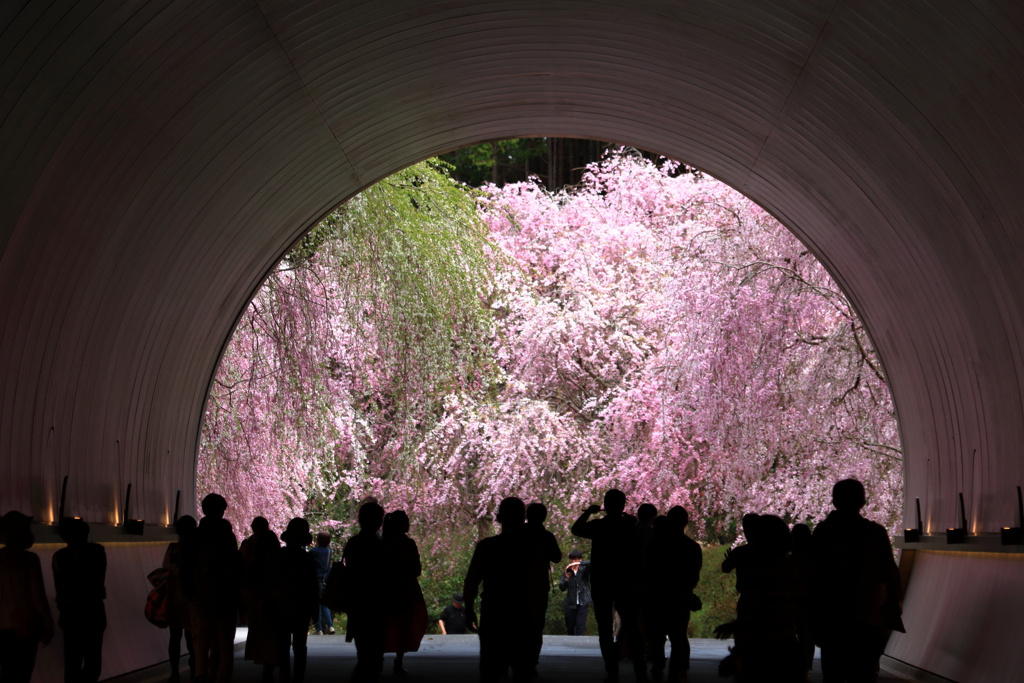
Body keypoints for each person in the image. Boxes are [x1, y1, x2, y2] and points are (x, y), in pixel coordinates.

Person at [812, 479, 903, 683]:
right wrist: (893, 603)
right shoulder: (874, 533)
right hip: (866, 614)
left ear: (834, 501)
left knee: (833, 673)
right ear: (862, 501)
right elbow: (890, 573)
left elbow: (812, 572)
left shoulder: (822, 532)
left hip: (831, 615)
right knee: (863, 673)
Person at [571, 489, 648, 682]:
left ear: (605, 505)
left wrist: (589, 512)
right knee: (632, 628)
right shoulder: (631, 526)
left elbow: (576, 529)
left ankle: (611, 670)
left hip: (602, 582)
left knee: (604, 628)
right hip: (626, 582)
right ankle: (640, 671)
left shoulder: (599, 525)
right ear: (623, 504)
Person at [463, 497, 534, 683]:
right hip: (522, 612)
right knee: (522, 669)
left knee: (490, 669)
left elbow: (472, 581)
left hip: (493, 611)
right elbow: (537, 584)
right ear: (523, 518)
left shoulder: (487, 547)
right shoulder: (530, 548)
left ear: (499, 518)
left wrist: (469, 608)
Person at [181, 493, 243, 683]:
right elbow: (237, 567)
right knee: (224, 644)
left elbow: (186, 567)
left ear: (204, 510)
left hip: (201, 596)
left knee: (200, 640)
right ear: (222, 511)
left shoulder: (195, 537)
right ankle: (222, 676)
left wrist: (190, 592)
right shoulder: (228, 537)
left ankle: (201, 674)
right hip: (226, 598)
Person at [645, 508, 702, 683]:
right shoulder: (691, 547)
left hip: (657, 597)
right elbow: (693, 576)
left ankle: (657, 671)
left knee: (657, 637)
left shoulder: (655, 545)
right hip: (680, 598)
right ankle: (677, 673)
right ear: (686, 522)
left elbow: (647, 572)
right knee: (678, 638)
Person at [0, 511, 53, 683]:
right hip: (24, 626)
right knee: (22, 673)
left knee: (7, 672)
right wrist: (48, 623)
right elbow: (38, 596)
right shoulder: (28, 559)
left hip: (2, 628)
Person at [52, 517, 107, 683]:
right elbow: (97, 580)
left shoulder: (60, 556)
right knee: (93, 663)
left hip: (70, 614)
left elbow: (59, 586)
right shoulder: (97, 551)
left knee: (72, 663)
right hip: (93, 613)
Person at [267, 518, 319, 683]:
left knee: (282, 644)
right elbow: (313, 586)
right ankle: (298, 676)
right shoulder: (307, 559)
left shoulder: (278, 556)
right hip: (301, 607)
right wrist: (315, 610)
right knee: (300, 646)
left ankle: (284, 673)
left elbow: (270, 583)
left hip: (281, 606)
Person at [343, 501, 388, 683]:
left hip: (358, 600)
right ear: (379, 521)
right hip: (378, 601)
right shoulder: (382, 545)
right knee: (376, 651)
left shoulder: (354, 543)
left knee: (363, 650)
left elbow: (349, 571)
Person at [381, 511, 428, 676]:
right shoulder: (408, 544)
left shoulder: (381, 543)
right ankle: (398, 661)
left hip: (384, 590)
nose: (409, 524)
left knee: (384, 624)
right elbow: (416, 569)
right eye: (406, 521)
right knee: (403, 626)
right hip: (405, 590)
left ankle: (378, 658)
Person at [241, 517, 281, 682]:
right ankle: (272, 662)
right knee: (273, 634)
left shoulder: (250, 550)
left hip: (257, 600)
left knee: (260, 631)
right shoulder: (278, 558)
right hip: (276, 601)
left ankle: (266, 662)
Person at [524, 502, 562, 674]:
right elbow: (557, 558)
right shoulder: (546, 536)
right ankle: (531, 661)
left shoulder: (517, 533)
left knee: (516, 623)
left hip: (516, 586)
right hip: (538, 586)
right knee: (536, 624)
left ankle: (515, 658)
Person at [164, 515, 197, 682]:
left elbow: (165, 572)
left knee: (174, 638)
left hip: (174, 599)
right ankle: (195, 670)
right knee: (192, 638)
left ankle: (174, 672)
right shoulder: (198, 550)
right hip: (192, 599)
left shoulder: (173, 549)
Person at [790, 523, 815, 675]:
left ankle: (796, 667)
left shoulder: (790, 561)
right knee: (807, 636)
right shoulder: (814, 560)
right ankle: (804, 668)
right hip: (809, 602)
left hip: (792, 602)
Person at [559, 549, 592, 636]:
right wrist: (567, 579)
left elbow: (590, 563)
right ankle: (571, 646)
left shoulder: (584, 570)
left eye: (575, 559)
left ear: (579, 559)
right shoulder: (567, 571)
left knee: (580, 627)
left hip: (583, 601)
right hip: (571, 603)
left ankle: (580, 646)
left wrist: (578, 563)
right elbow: (562, 587)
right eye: (571, 559)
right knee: (570, 627)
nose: (573, 561)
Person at [309, 531, 334, 635]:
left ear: (318, 540)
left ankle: (319, 629)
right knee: (324, 605)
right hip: (325, 581)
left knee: (316, 605)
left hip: (315, 581)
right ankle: (330, 626)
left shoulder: (313, 552)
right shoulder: (329, 552)